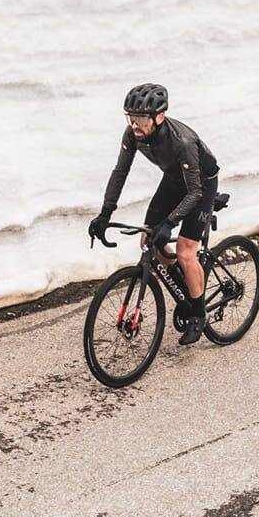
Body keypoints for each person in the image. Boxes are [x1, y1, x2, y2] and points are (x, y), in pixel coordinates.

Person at [89, 83, 221, 345]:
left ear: (159, 117)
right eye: (130, 118)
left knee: (185, 251)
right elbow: (120, 172)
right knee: (149, 239)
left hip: (202, 185)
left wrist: (169, 223)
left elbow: (194, 192)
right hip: (173, 179)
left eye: (140, 120)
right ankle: (184, 282)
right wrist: (105, 212)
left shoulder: (182, 141)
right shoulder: (133, 134)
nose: (134, 125)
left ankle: (198, 314)